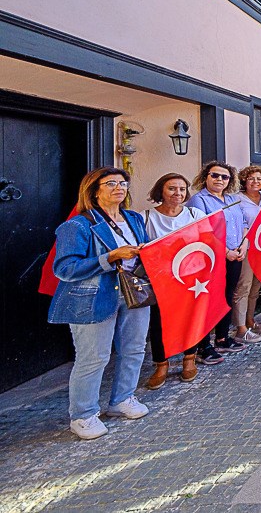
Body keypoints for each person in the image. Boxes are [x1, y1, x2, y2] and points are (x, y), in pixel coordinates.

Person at [50, 167, 150, 440]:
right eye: (111, 183)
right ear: (94, 190)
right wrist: (111, 257)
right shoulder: (77, 225)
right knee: (94, 358)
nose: (119, 187)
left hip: (135, 292)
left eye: (123, 183)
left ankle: (122, 399)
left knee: (134, 348)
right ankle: (83, 415)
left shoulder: (133, 218)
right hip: (93, 297)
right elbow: (65, 269)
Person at [143, 174, 208, 390]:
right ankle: (161, 364)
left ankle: (189, 358)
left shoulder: (194, 214)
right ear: (161, 190)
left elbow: (207, 241)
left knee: (190, 318)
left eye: (182, 189)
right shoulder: (146, 217)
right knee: (160, 322)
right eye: (172, 188)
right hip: (161, 278)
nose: (177, 193)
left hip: (191, 277)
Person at [187, 161, 247, 364]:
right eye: (215, 175)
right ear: (206, 177)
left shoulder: (232, 199)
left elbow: (244, 224)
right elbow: (201, 231)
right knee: (207, 300)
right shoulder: (199, 201)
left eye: (225, 177)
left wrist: (243, 245)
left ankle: (222, 337)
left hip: (235, 255)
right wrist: (225, 252)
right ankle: (204, 345)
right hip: (211, 259)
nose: (219, 180)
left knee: (226, 296)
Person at [233, 165, 261, 345]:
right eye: (251, 178)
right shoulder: (237, 200)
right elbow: (239, 224)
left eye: (259, 179)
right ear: (244, 181)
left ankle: (250, 320)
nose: (256, 182)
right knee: (244, 286)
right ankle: (240, 328)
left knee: (256, 287)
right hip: (246, 247)